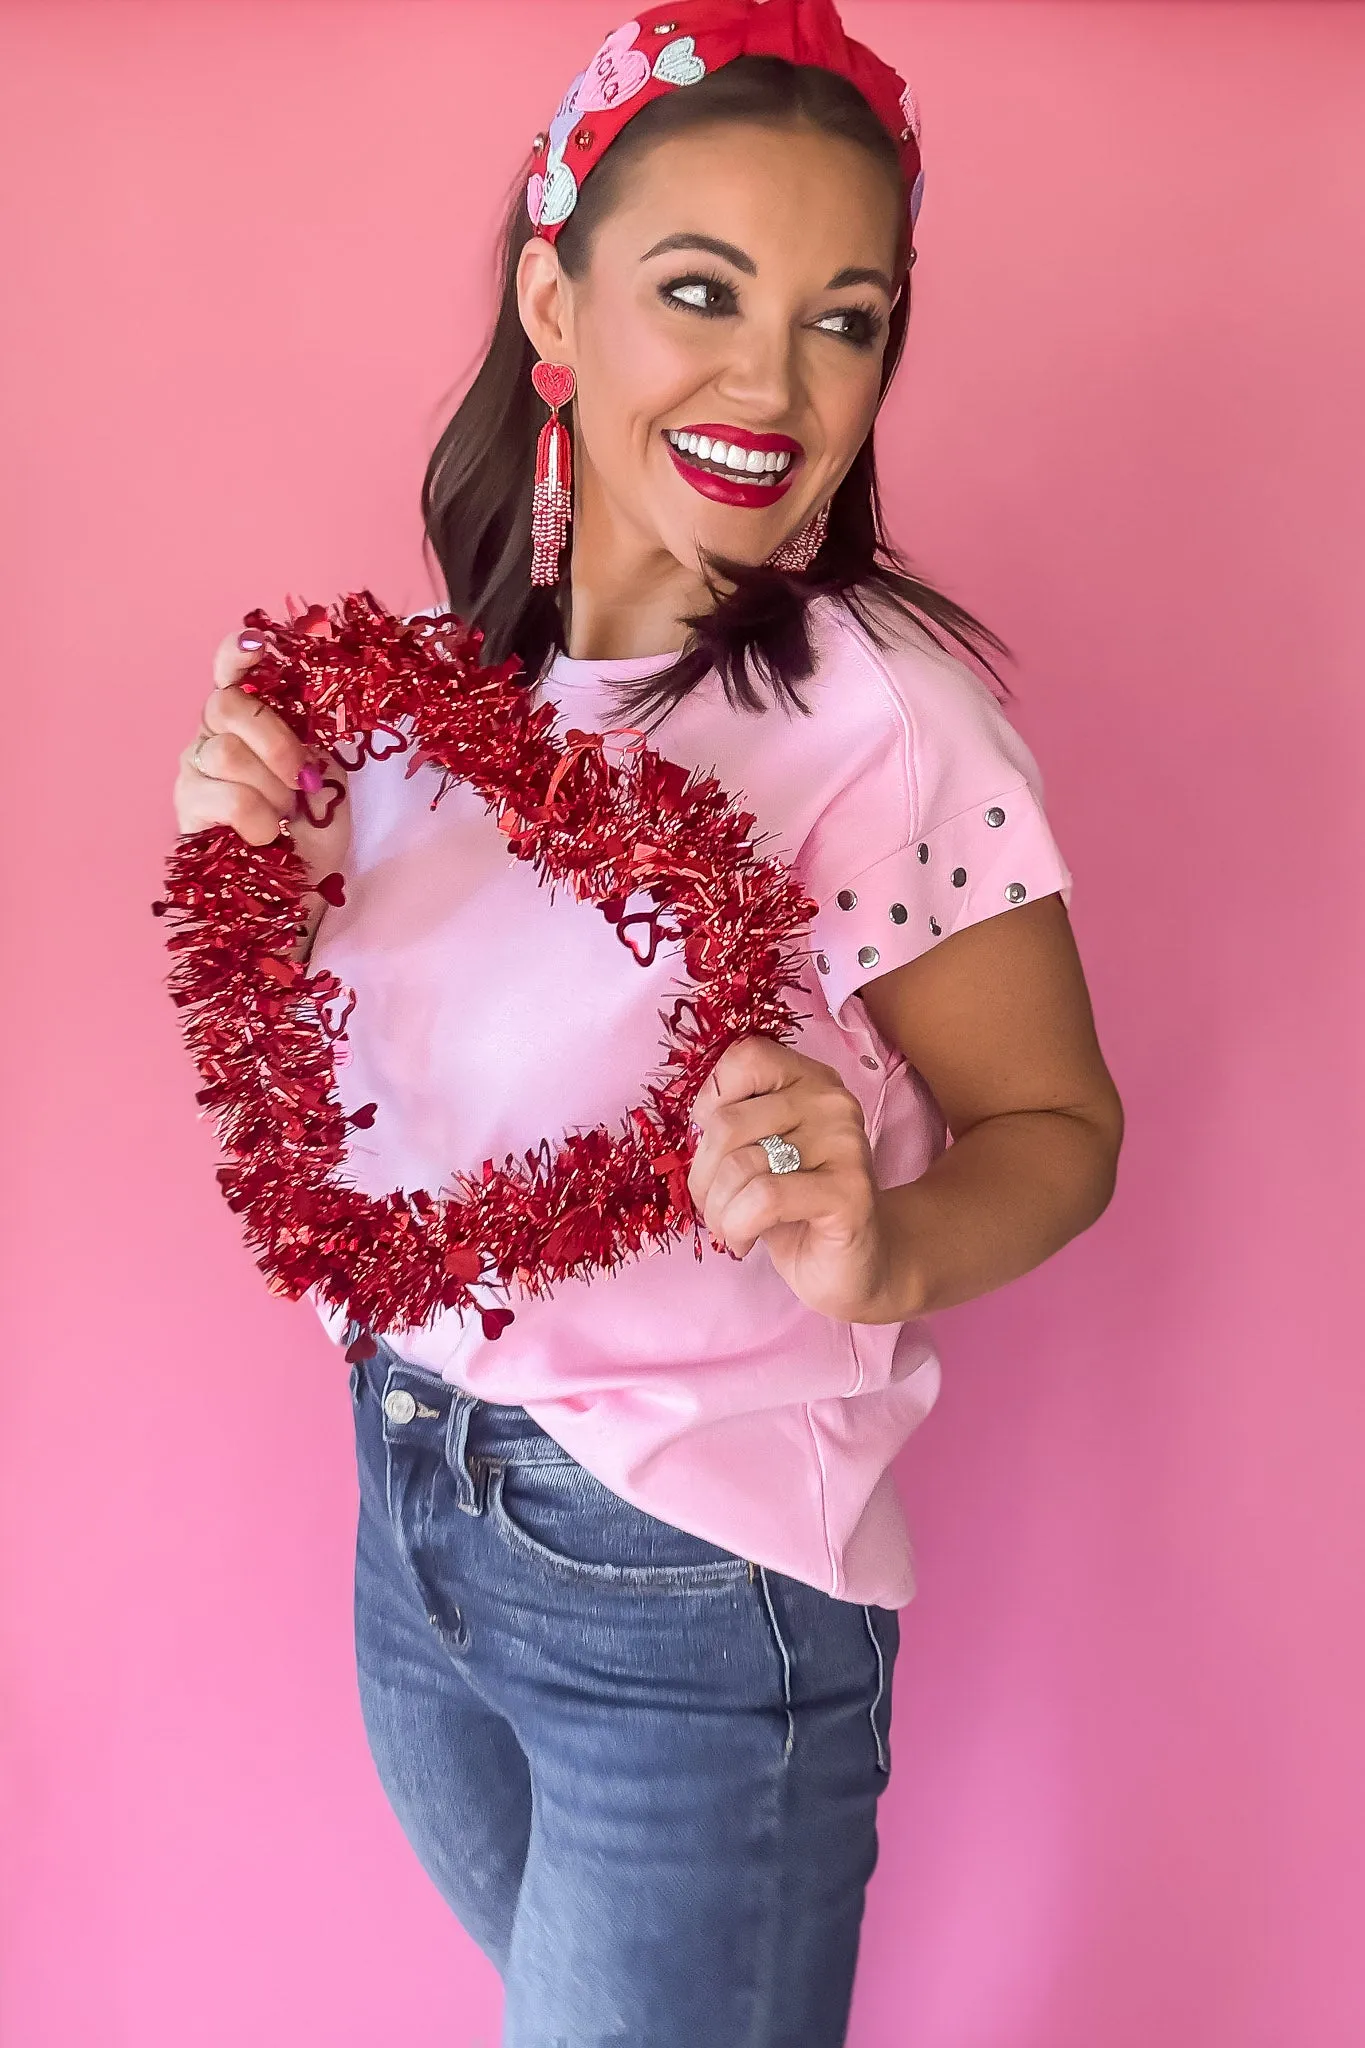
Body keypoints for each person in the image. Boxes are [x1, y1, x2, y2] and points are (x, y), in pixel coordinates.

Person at [171, 3, 1123, 2040]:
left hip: (686, 1586)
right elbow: (377, 1082)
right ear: (556, 296)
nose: (774, 383)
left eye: (844, 319)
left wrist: (880, 1236)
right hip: (412, 1519)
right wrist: (253, 840)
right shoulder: (431, 705)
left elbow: (1056, 1129)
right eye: (701, 289)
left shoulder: (882, 721)